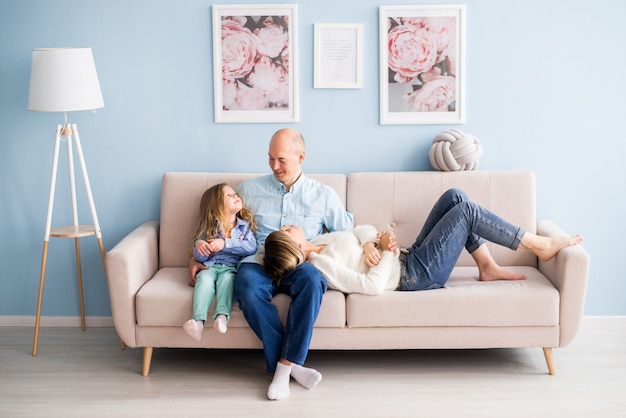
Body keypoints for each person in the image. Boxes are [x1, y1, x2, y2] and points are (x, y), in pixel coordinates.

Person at [189, 128, 356, 401]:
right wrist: (194, 257)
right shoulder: (248, 190)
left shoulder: (323, 195)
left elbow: (347, 236)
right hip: (258, 259)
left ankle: (283, 368)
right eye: (270, 159)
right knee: (246, 286)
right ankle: (292, 367)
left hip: (297, 260)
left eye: (281, 160)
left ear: (300, 156)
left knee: (313, 282)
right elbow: (218, 226)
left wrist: (313, 246)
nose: (274, 166)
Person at [263, 188, 583, 294]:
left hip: (408, 256)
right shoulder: (322, 265)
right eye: (286, 230)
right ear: (293, 246)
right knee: (467, 211)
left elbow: (359, 230)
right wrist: (386, 251)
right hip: (413, 274)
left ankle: (487, 266)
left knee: (454, 197)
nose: (290, 225)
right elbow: (372, 286)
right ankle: (536, 244)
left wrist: (371, 242)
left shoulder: (320, 239)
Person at [183, 183, 257, 342]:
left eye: (235, 194)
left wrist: (225, 243)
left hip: (231, 268)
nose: (236, 196)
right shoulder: (210, 228)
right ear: (216, 206)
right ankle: (198, 322)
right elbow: (201, 259)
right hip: (209, 266)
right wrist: (199, 246)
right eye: (229, 196)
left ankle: (222, 317)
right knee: (204, 280)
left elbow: (251, 247)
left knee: (227, 280)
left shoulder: (244, 227)